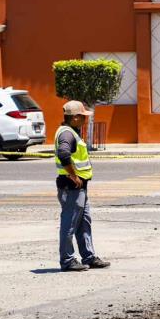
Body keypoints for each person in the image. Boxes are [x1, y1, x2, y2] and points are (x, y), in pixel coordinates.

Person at [54, 100, 110, 272]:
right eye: (83, 117)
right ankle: (67, 260)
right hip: (71, 187)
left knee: (84, 223)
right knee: (69, 224)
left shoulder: (72, 132)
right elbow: (64, 154)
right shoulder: (67, 134)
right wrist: (73, 175)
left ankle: (89, 257)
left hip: (79, 188)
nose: (85, 120)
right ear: (75, 117)